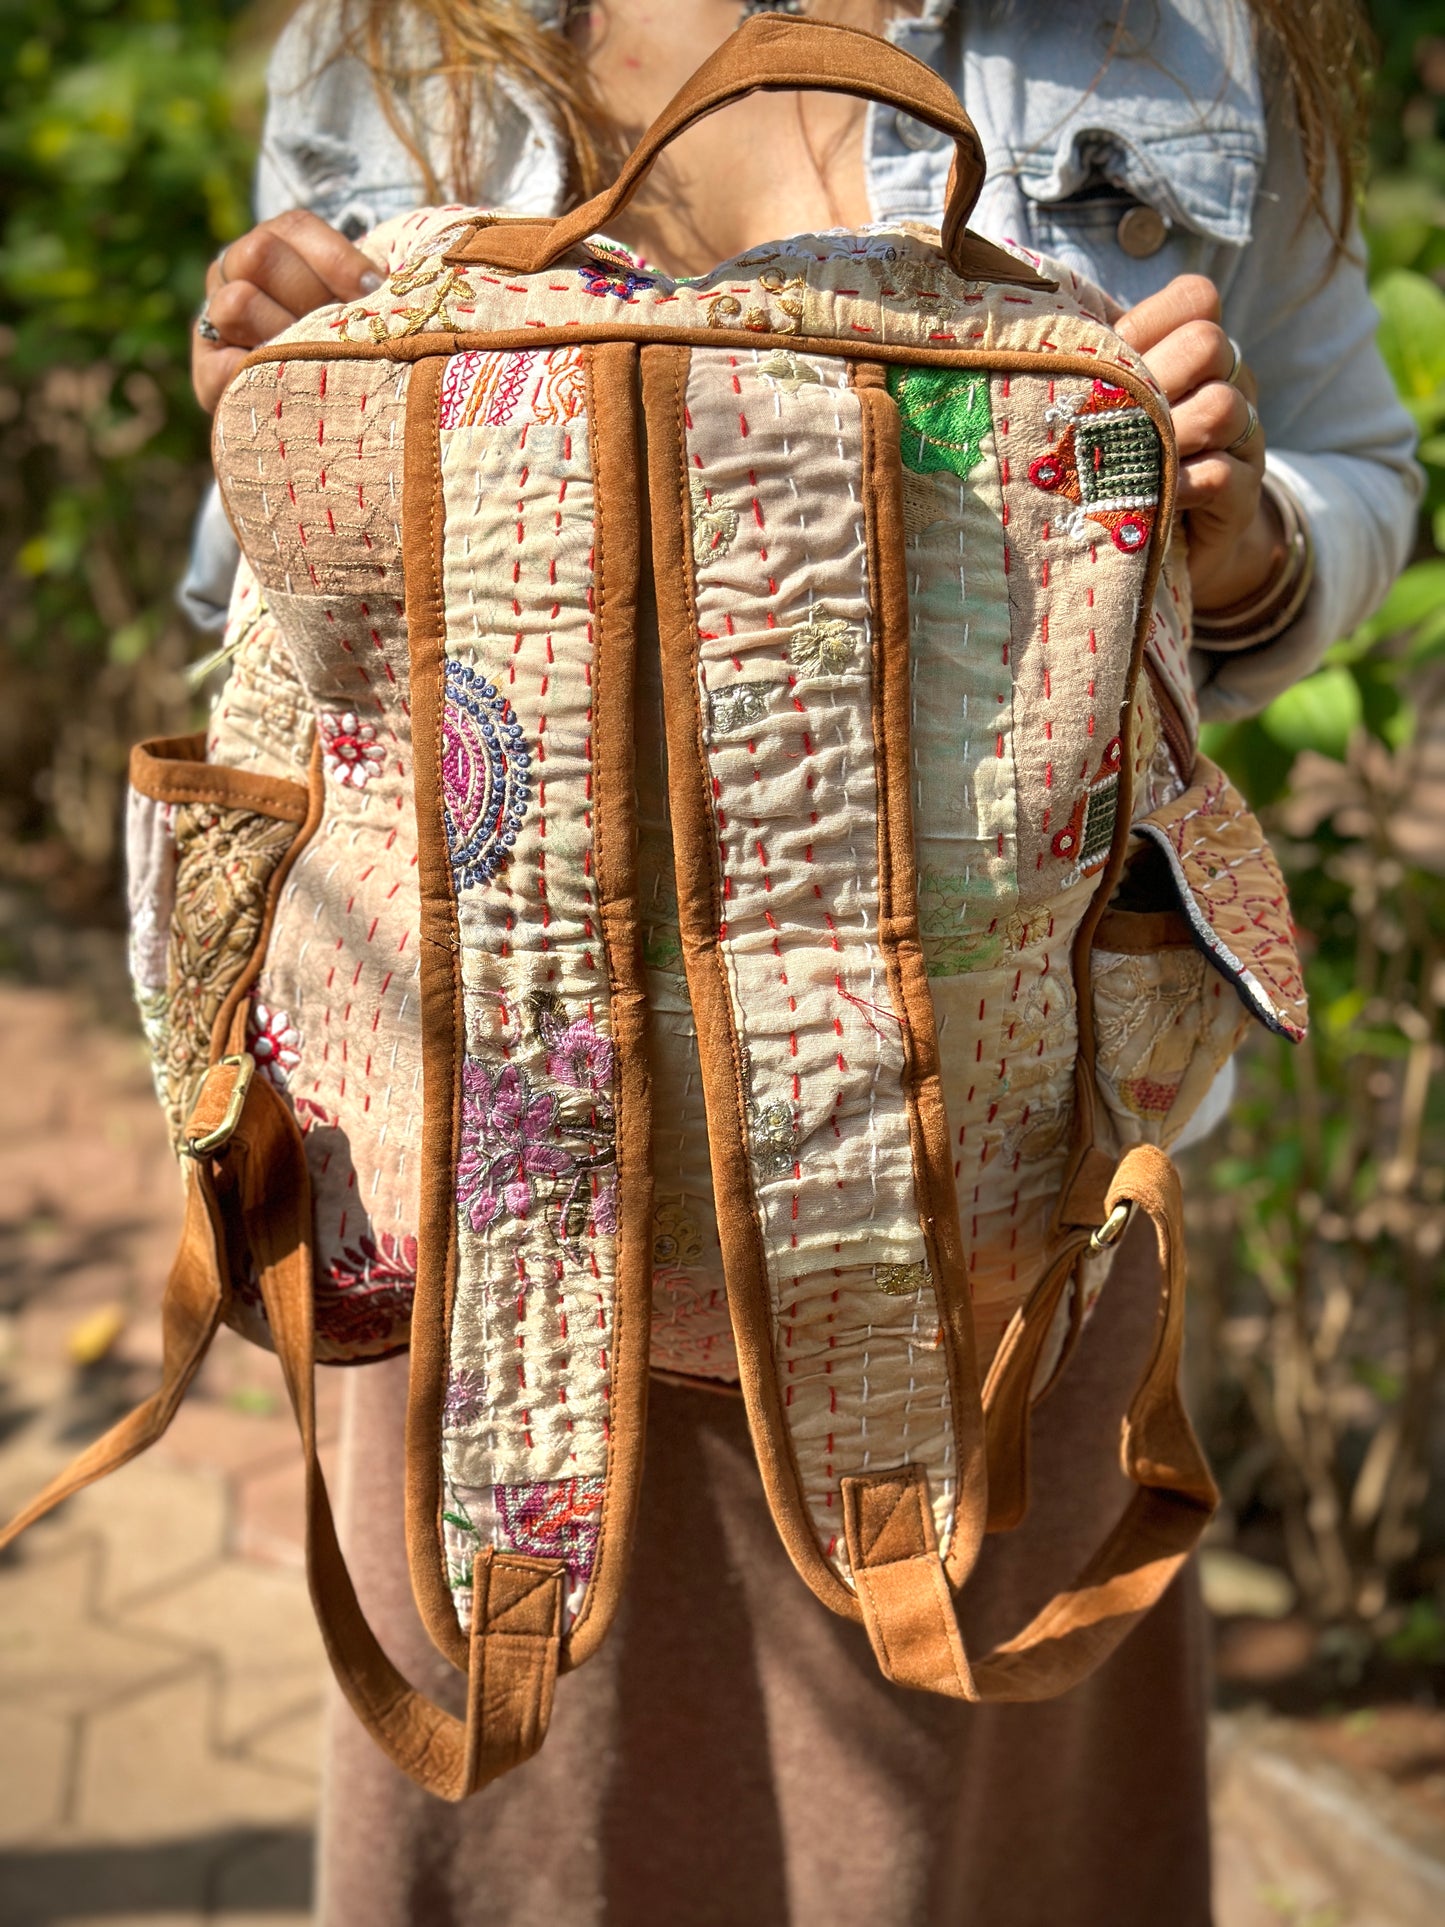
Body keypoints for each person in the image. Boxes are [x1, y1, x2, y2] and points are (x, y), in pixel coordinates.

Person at [184, 4, 1419, 1922]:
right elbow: (272, 608)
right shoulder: (398, 33)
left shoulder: (1186, 26)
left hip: (1005, 1217)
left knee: (966, 1853)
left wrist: (1243, 533)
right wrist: (260, 388)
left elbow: (1359, 470)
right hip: (501, 1222)